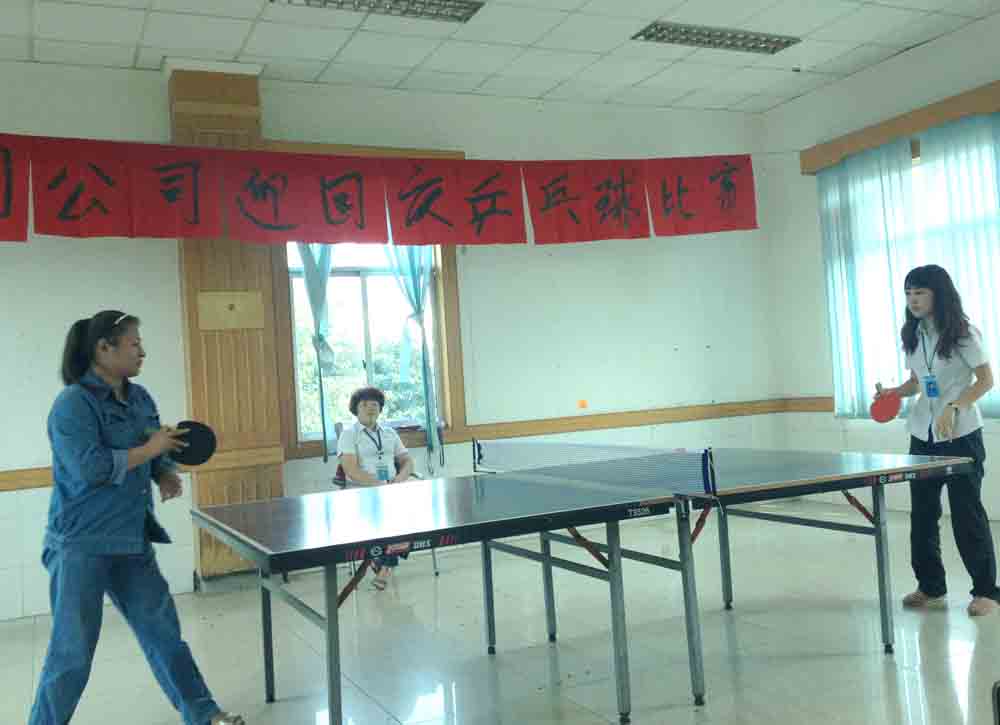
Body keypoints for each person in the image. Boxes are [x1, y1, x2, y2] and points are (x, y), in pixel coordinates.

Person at [29, 310, 244, 725]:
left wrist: (162, 471)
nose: (142, 352)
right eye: (134, 344)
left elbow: (153, 447)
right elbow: (90, 468)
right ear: (103, 349)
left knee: (165, 636)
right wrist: (151, 451)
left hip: (132, 541)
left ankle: (204, 715)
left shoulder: (141, 398)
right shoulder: (72, 404)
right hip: (80, 547)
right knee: (72, 653)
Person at [876, 265, 998, 617]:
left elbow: (985, 380)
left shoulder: (963, 333)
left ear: (938, 294)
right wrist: (894, 392)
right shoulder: (913, 333)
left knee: (966, 514)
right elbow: (918, 380)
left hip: (961, 435)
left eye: (920, 292)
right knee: (923, 514)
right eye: (908, 293)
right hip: (923, 434)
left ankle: (986, 591)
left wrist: (956, 406)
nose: (912, 300)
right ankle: (931, 587)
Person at [337, 386, 415, 590]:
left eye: (374, 404)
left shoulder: (390, 433)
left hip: (392, 490)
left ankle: (381, 563)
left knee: (408, 519)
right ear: (356, 409)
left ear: (380, 408)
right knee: (391, 521)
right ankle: (384, 566)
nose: (370, 408)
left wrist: (400, 478)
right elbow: (351, 470)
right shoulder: (349, 435)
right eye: (364, 404)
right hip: (363, 491)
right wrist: (380, 485)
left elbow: (407, 461)